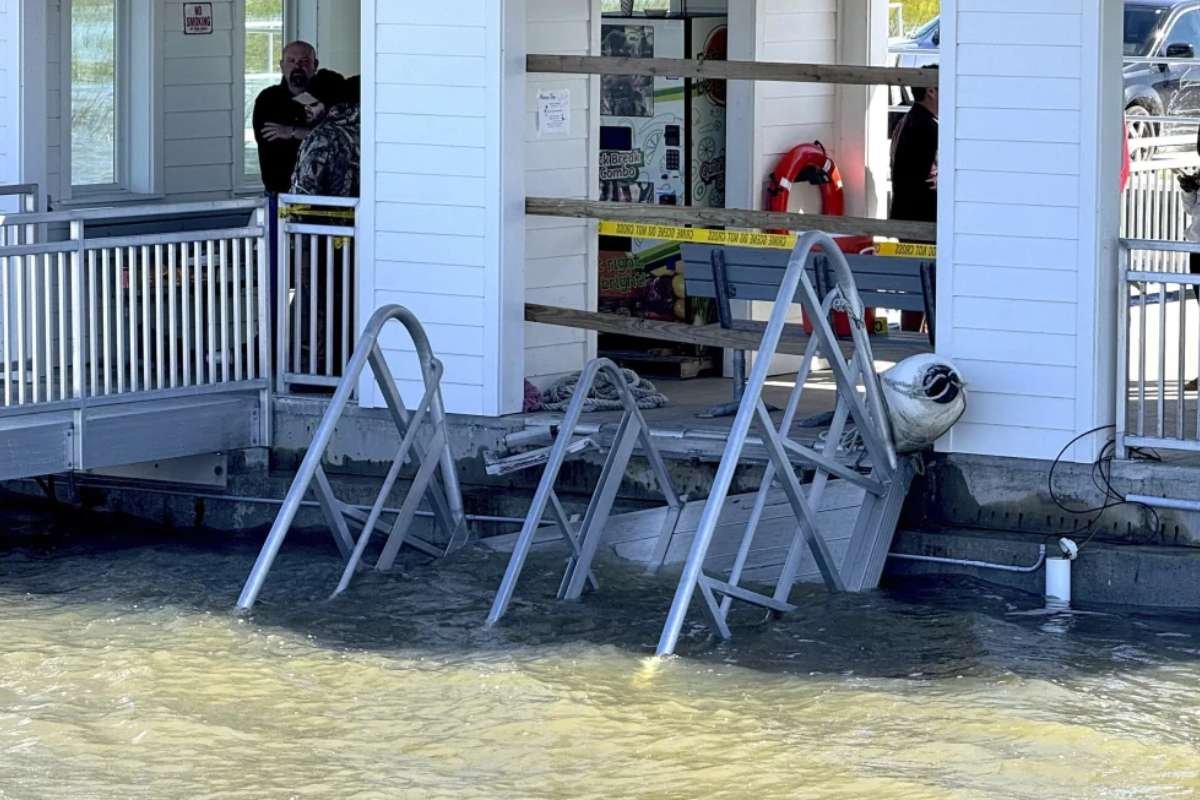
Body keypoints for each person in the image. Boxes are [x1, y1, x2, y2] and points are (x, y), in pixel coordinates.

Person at [252, 41, 342, 194]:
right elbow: (270, 139)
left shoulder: (331, 93)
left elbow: (340, 139)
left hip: (326, 194)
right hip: (282, 193)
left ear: (315, 65)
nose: (297, 66)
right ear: (281, 65)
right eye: (291, 61)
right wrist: (313, 131)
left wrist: (291, 132)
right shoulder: (268, 100)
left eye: (304, 61)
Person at [890, 65, 938, 331]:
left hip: (903, 214)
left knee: (915, 287)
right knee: (927, 288)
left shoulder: (906, 121)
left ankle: (914, 338)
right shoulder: (928, 128)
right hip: (923, 221)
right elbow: (926, 178)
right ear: (931, 91)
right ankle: (918, 343)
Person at [291, 74, 361, 197]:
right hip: (361, 214)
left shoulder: (319, 138)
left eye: (313, 104)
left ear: (329, 104)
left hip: (322, 214)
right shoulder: (364, 131)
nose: (306, 107)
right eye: (304, 102)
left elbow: (303, 195)